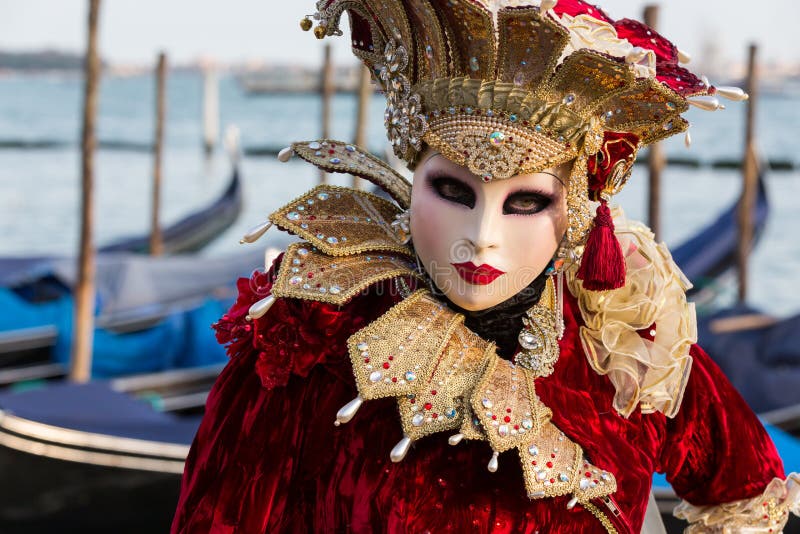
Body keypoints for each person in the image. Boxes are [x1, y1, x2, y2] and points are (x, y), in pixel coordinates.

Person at [172, 1, 800, 532]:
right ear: (414, 175)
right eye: (452, 191)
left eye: (526, 202)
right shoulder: (316, 338)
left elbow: (747, 488)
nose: (481, 238)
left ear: (577, 209)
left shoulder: (624, 342)